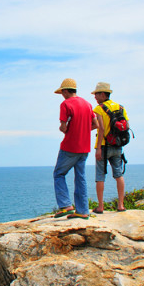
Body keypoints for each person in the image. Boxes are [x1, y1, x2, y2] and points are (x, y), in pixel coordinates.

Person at [53, 78, 98, 219]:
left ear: (66, 91)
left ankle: (66, 205)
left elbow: (63, 127)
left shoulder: (65, 104)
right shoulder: (87, 104)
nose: (62, 95)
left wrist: (66, 129)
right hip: (84, 147)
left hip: (70, 146)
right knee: (80, 178)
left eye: (62, 92)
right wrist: (82, 130)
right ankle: (83, 211)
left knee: (59, 174)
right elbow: (95, 124)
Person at [91, 82, 128, 213]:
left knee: (100, 176)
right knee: (118, 175)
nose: (95, 97)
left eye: (96, 94)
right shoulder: (121, 107)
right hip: (117, 145)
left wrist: (98, 148)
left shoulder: (99, 108)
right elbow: (127, 126)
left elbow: (101, 128)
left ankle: (100, 207)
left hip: (103, 146)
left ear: (102, 94)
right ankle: (121, 205)